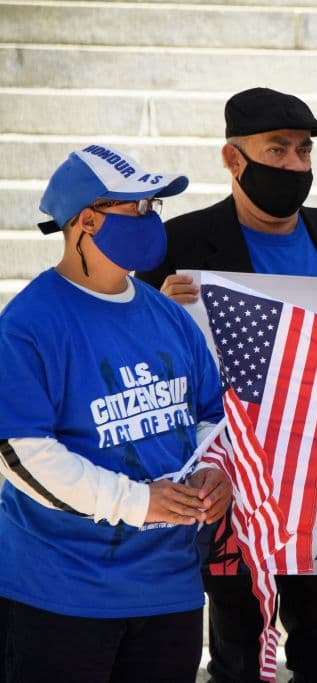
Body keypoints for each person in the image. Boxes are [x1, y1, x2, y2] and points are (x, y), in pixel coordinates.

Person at [137, 88, 317, 683]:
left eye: (304, 151)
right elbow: (140, 362)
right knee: (240, 662)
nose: (295, 165)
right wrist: (159, 316)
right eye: (278, 150)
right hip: (233, 489)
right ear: (233, 158)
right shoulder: (181, 244)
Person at [0, 144, 228, 682]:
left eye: (153, 207)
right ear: (85, 220)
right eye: (135, 207)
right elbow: (21, 453)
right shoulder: (28, 323)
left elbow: (211, 419)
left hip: (170, 590)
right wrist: (136, 501)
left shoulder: (170, 316)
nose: (150, 219)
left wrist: (221, 473)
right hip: (60, 592)